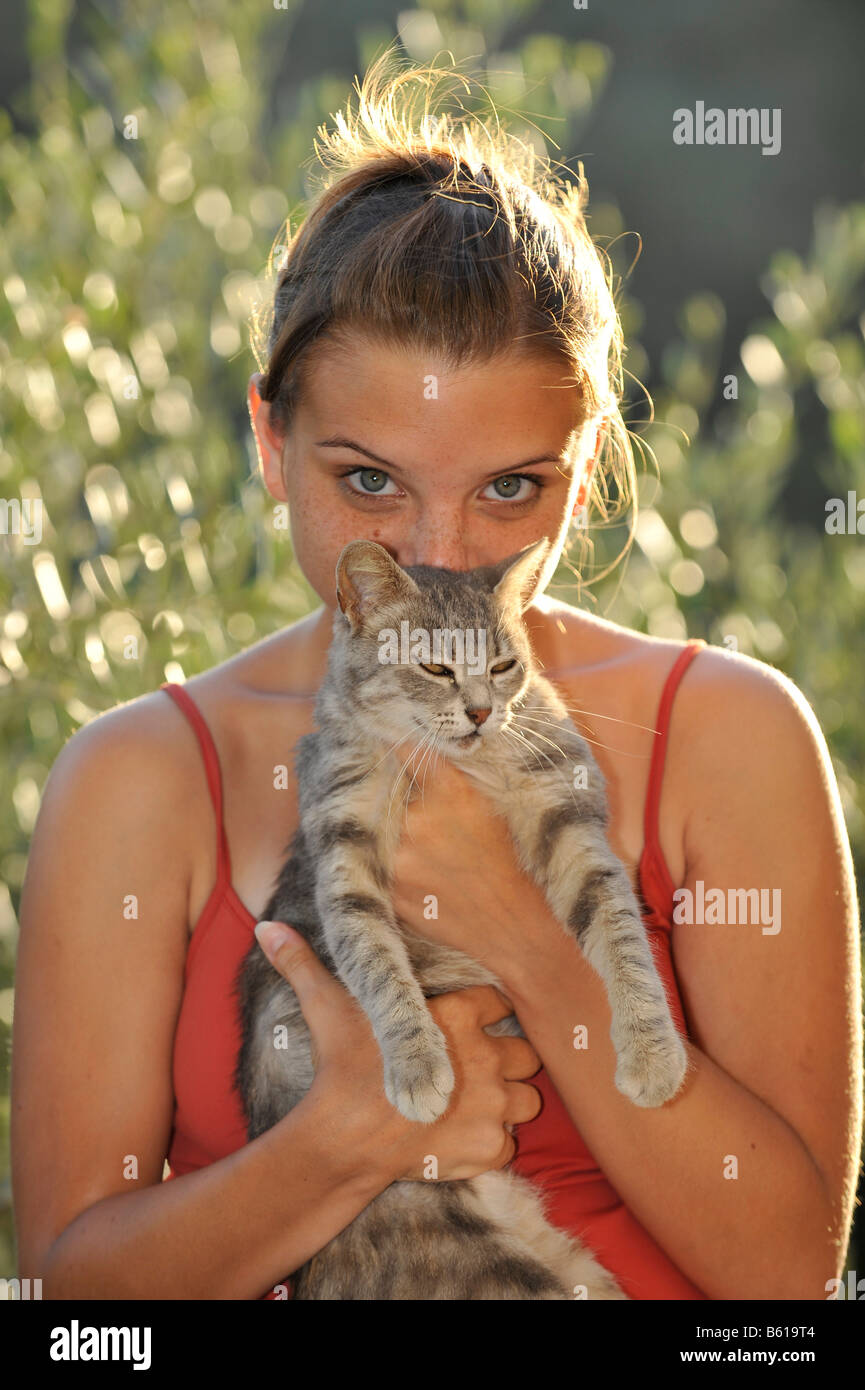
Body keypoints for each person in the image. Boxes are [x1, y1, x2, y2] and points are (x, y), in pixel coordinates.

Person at [11, 51, 861, 1301]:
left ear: (580, 477)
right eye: (368, 482)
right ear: (268, 440)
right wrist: (347, 1140)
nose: (437, 555)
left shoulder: (729, 735)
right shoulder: (138, 775)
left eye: (509, 488)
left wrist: (519, 929)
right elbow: (72, 1312)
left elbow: (790, 1284)